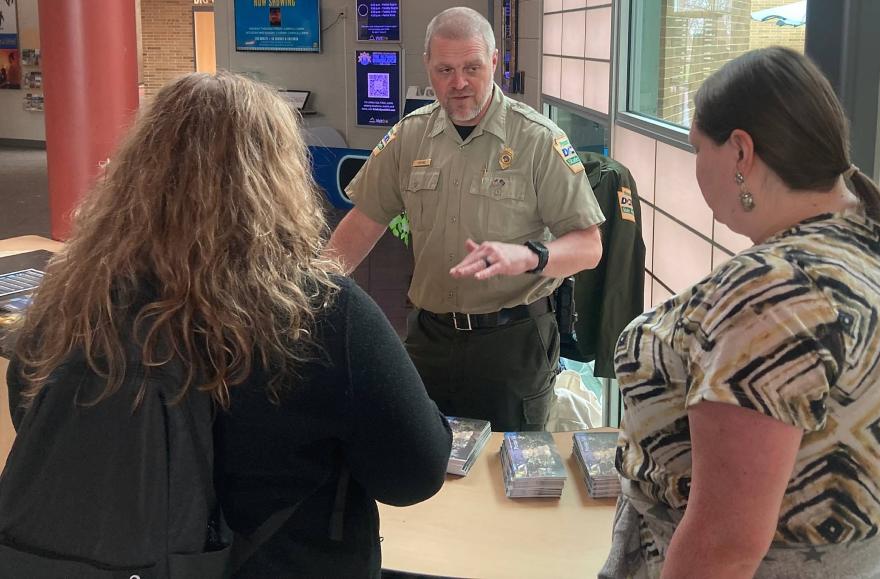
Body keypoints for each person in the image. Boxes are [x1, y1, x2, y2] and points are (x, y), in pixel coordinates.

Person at [5, 71, 451, 577]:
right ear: (276, 180)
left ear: (136, 169)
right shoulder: (322, 313)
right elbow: (414, 475)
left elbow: (31, 407)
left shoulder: (73, 300)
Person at [601, 47, 880, 578]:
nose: (695, 168)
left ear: (740, 152)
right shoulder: (872, 240)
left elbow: (725, 545)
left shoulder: (775, 294)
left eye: (696, 148)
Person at [329, 7, 605, 432]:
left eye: (472, 67)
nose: (458, 83)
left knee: (507, 478)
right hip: (429, 340)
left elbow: (589, 246)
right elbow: (364, 223)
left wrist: (529, 256)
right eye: (445, 69)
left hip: (512, 344)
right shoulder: (409, 136)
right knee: (425, 474)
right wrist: (308, 292)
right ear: (428, 67)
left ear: (493, 62)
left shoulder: (537, 139)